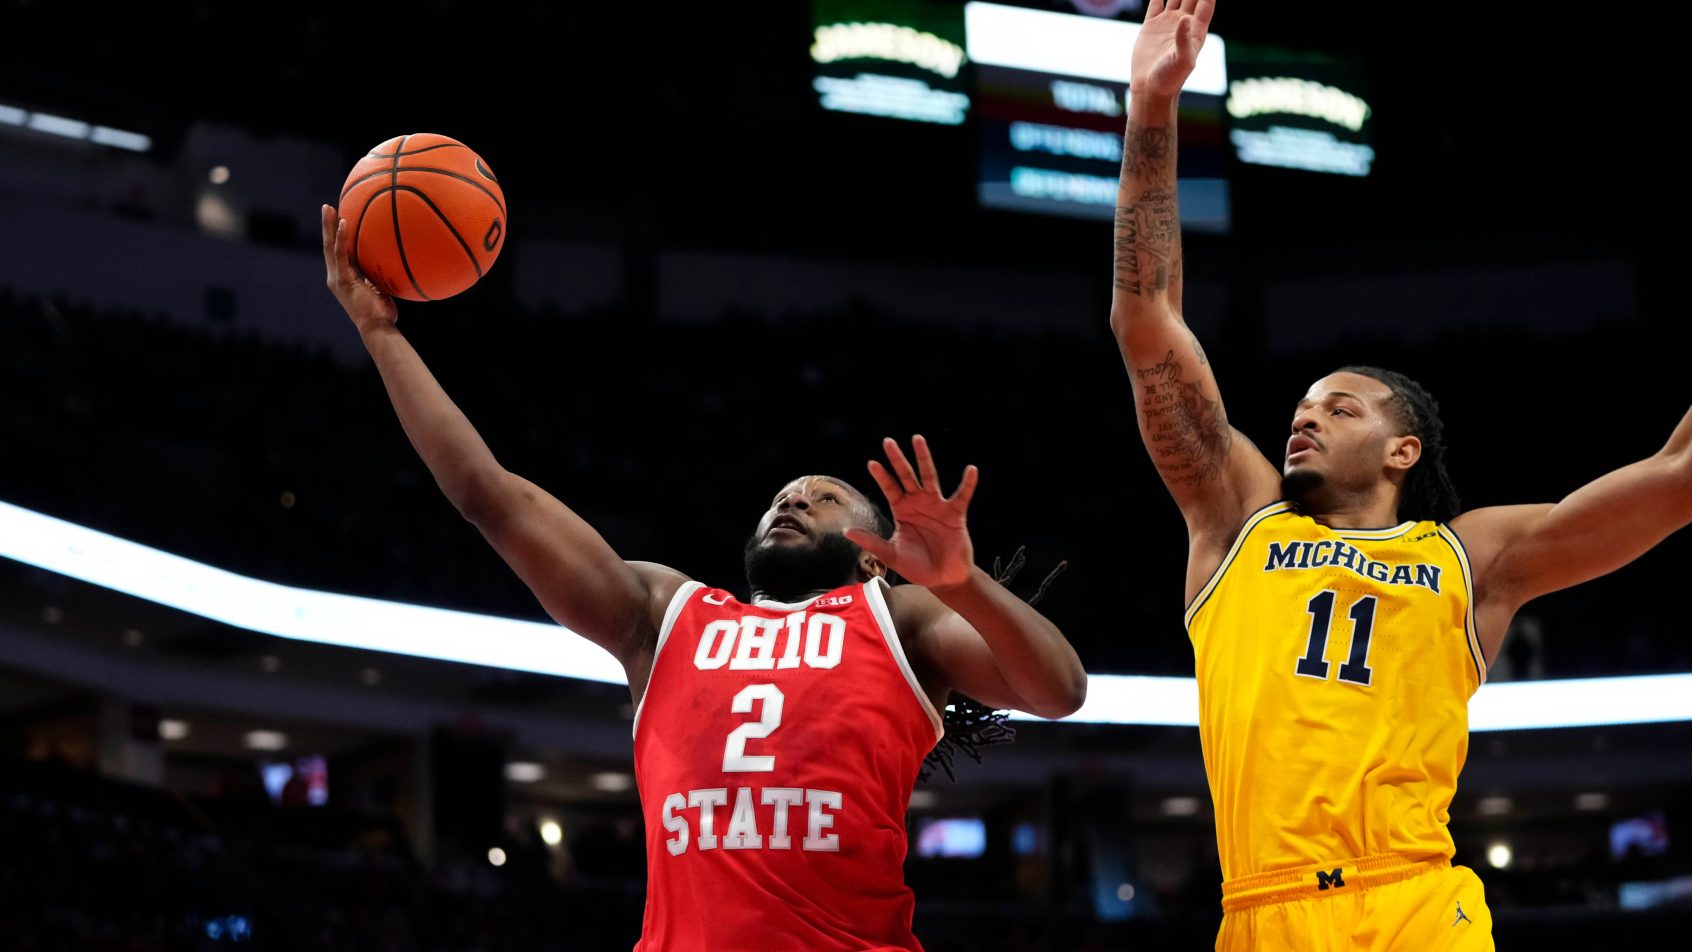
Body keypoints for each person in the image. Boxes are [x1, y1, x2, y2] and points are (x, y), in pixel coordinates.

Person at [317, 205, 1088, 951]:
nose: (794, 499)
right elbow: (491, 497)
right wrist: (380, 334)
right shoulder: (665, 611)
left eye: (825, 499)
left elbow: (1060, 691)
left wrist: (964, 586)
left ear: (871, 557)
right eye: (785, 495)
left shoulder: (904, 620)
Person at [1111, 2, 1692, 949]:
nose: (1304, 416)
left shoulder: (1472, 556)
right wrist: (1151, 110)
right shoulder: (1238, 519)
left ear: (1402, 451)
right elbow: (1148, 325)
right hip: (1264, 910)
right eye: (1302, 404)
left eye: (1341, 408)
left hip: (1417, 900)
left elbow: (1677, 477)